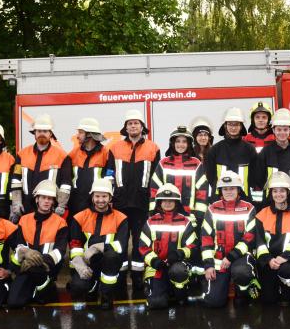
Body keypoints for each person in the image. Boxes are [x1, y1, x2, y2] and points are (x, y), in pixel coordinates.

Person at [104, 109, 160, 289]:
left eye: (136, 123)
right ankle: (119, 277)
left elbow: (156, 177)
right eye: (130, 123)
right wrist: (110, 196)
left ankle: (137, 278)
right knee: (119, 241)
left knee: (139, 242)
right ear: (125, 127)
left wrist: (154, 202)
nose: (133, 126)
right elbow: (109, 173)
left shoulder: (153, 148)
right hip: (119, 203)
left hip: (142, 204)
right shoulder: (115, 148)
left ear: (142, 126)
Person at [149, 125, 209, 277]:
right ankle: (173, 279)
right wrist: (154, 212)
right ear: (172, 143)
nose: (181, 144)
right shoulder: (163, 163)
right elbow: (154, 189)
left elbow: (202, 190)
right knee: (170, 247)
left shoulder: (196, 163)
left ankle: (195, 278)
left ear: (189, 144)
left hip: (191, 216)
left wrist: (199, 215)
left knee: (193, 248)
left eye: (184, 142)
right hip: (166, 215)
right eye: (178, 141)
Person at [200, 171, 259, 307]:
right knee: (213, 302)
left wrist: (231, 257)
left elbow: (249, 237)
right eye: (225, 189)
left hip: (241, 257)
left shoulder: (249, 208)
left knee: (242, 273)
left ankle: (243, 290)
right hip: (219, 258)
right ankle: (220, 286)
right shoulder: (212, 209)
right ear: (220, 191)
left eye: (232, 188)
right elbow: (206, 239)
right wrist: (208, 265)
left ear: (239, 189)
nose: (229, 192)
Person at [6, 180, 69, 308]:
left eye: (50, 199)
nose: (47, 201)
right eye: (44, 198)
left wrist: (40, 261)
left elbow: (59, 252)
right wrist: (25, 254)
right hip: (26, 267)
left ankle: (48, 287)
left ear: (54, 202)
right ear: (37, 199)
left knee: (44, 299)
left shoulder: (60, 222)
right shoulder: (24, 220)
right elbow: (19, 247)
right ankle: (33, 291)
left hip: (47, 269)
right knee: (14, 303)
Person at [68, 179, 128, 309]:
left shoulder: (121, 218)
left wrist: (99, 247)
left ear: (110, 197)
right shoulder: (79, 217)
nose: (101, 200)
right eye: (97, 196)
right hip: (87, 263)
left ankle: (106, 296)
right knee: (77, 288)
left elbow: (120, 246)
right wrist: (80, 265)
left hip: (110, 264)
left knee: (111, 256)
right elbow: (75, 244)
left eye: (104, 196)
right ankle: (92, 287)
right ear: (92, 197)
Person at [139, 184, 197, 309]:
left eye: (171, 200)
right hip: (156, 268)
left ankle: (180, 293)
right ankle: (162, 288)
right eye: (164, 200)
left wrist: (179, 254)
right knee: (157, 304)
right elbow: (143, 247)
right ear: (159, 202)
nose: (167, 203)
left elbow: (193, 245)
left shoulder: (185, 222)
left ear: (177, 202)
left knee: (178, 272)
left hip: (178, 265)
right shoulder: (150, 222)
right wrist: (154, 261)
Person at [254, 172, 290, 306]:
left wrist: (285, 257)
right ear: (270, 193)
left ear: (288, 192)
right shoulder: (261, 215)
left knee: (286, 300)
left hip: (289, 261)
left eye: (282, 191)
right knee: (268, 300)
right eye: (275, 191)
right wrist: (269, 260)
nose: (279, 194)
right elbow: (259, 242)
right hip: (269, 261)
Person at [12, 114, 71, 220]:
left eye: (45, 131)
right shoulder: (22, 154)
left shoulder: (62, 156)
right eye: (39, 131)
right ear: (34, 133)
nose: (42, 134)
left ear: (51, 134)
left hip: (50, 208)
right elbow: (16, 179)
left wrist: (61, 205)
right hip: (26, 208)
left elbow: (65, 184)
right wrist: (16, 202)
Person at [204, 107, 258, 203]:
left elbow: (254, 178)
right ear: (225, 126)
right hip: (219, 201)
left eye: (236, 124)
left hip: (244, 201)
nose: (233, 127)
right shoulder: (214, 150)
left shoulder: (249, 149)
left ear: (241, 126)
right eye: (230, 124)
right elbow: (211, 178)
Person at [253, 108, 290, 205]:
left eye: (285, 129)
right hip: (271, 203)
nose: (282, 133)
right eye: (279, 129)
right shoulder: (266, 152)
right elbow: (259, 178)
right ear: (273, 130)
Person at [67, 118, 110, 216]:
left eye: (80, 133)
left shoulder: (105, 153)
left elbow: (110, 180)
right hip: (75, 205)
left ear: (90, 135)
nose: (77, 136)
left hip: (97, 206)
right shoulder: (73, 154)